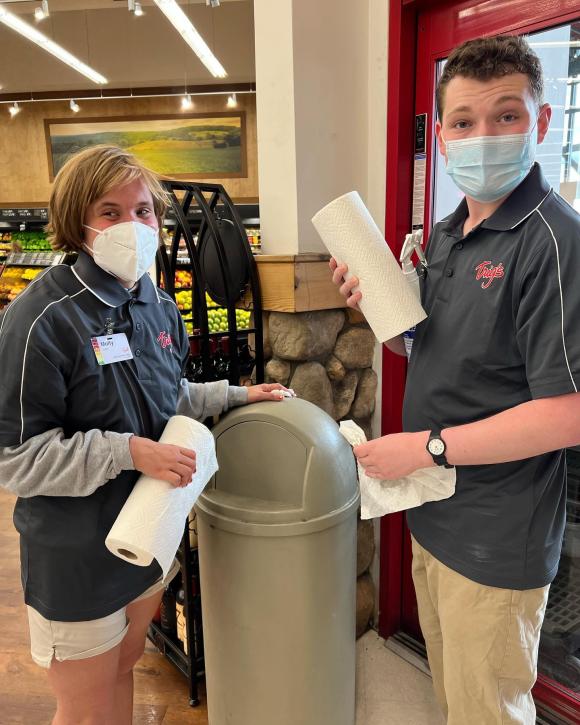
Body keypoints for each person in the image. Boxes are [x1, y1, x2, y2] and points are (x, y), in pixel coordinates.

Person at [331, 35, 580, 725]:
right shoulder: (446, 233)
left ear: (544, 122)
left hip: (498, 538)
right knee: (457, 701)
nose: (484, 136)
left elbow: (566, 414)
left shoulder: (556, 243)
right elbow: (435, 343)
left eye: (507, 116)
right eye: (464, 122)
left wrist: (424, 446)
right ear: (441, 136)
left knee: (489, 709)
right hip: (435, 514)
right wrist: (377, 301)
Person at [0, 144, 287, 725]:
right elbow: (15, 458)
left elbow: (165, 398)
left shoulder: (158, 305)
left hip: (148, 539)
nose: (133, 226)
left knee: (124, 672)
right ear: (75, 222)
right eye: (110, 212)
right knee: (83, 709)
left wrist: (238, 394)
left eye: (143, 210)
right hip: (76, 555)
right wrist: (128, 452)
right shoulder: (40, 319)